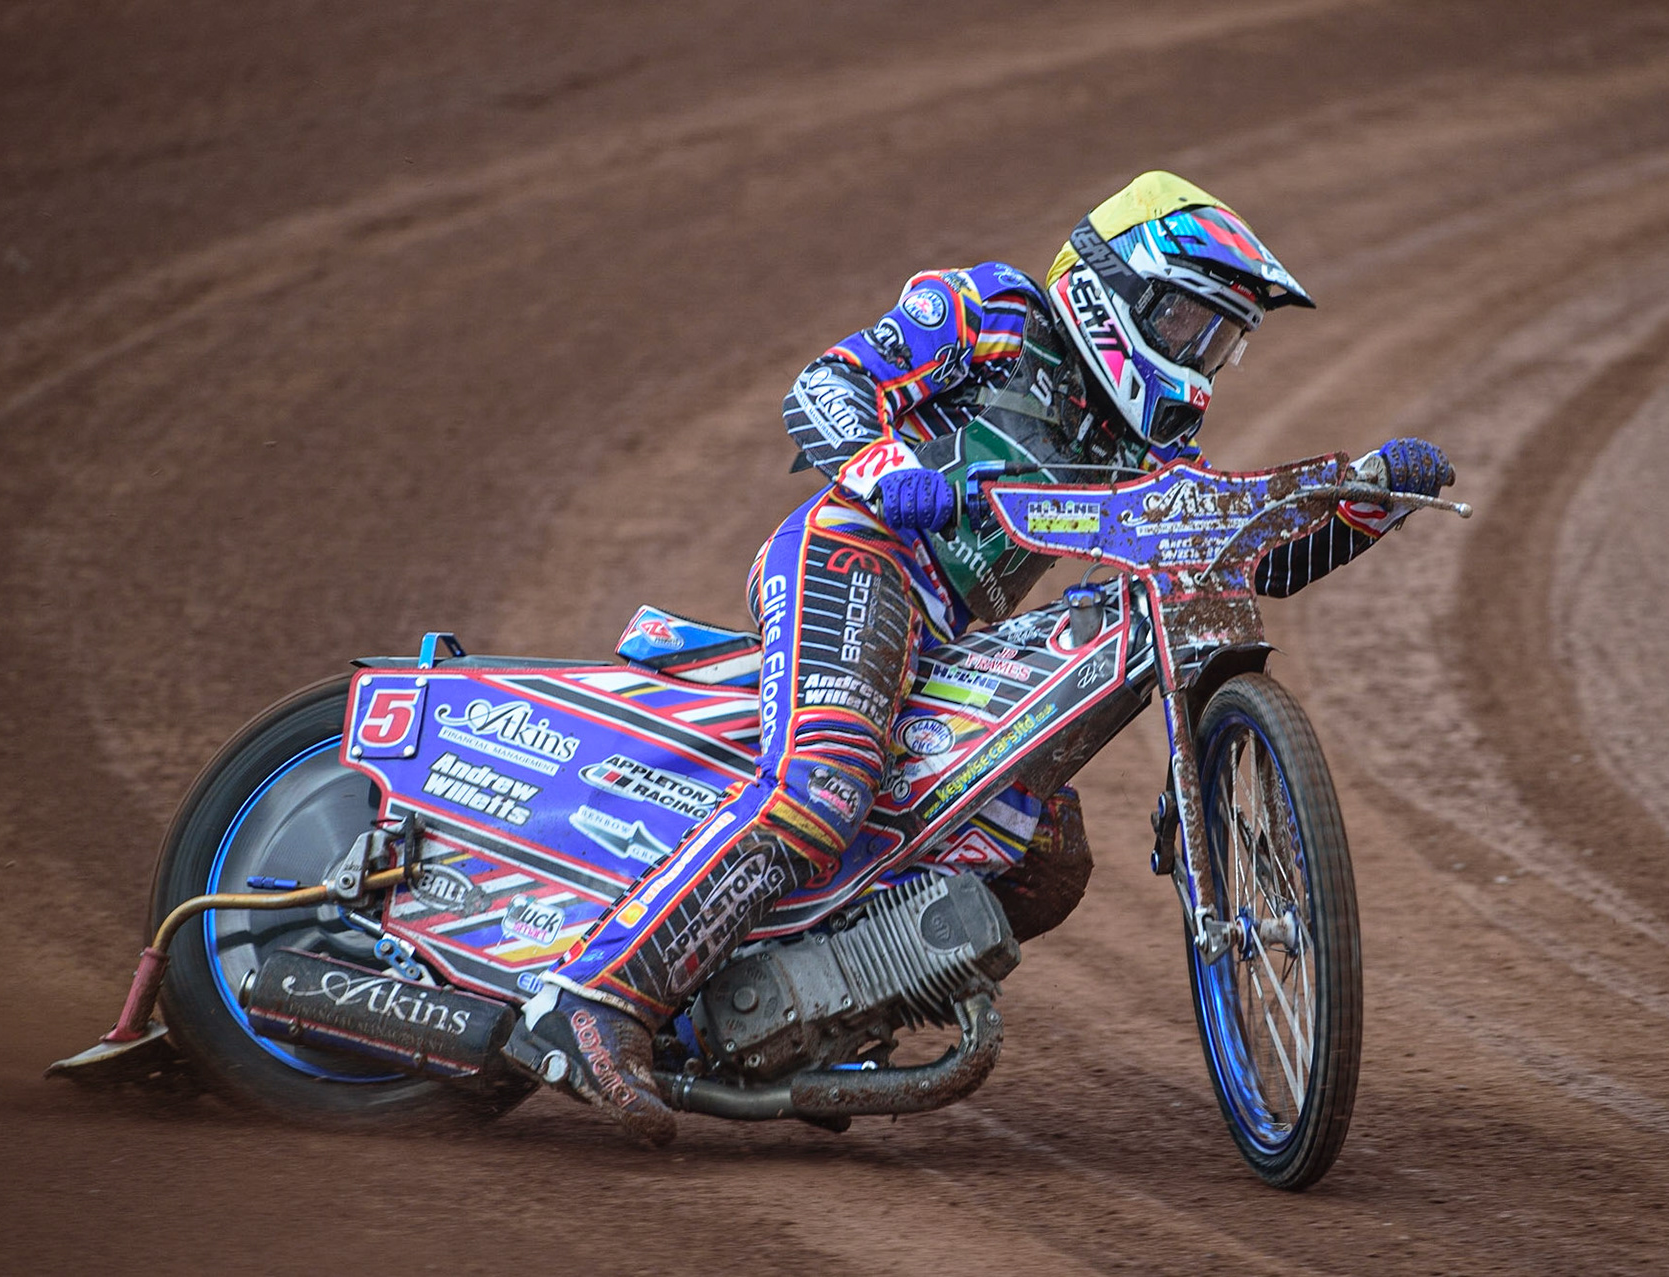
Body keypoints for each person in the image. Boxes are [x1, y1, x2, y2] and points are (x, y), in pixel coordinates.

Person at [513, 171, 1455, 1144]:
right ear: (1111, 290)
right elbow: (828, 385)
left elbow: (1236, 552)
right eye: (1182, 321)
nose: (1196, 355)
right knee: (826, 780)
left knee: (1044, 857)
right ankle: (596, 995)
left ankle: (820, 1013)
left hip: (948, 633)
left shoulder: (1148, 449)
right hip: (857, 555)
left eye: (1217, 338)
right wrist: (890, 469)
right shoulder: (996, 313)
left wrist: (1361, 503)